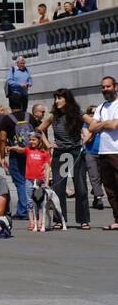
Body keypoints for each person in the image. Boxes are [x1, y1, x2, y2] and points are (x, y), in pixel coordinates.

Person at [38, 88, 90, 229]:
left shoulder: (77, 114)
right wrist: (48, 144)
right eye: (55, 98)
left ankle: (83, 220)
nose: (57, 101)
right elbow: (39, 130)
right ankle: (59, 220)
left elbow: (93, 124)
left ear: (67, 99)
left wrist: (86, 138)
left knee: (80, 187)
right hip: (60, 153)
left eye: (60, 98)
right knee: (58, 188)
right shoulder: (53, 116)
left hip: (75, 151)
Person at [83, 77, 118, 230]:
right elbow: (91, 128)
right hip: (103, 151)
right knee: (110, 189)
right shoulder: (101, 107)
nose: (105, 89)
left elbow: (114, 124)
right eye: (103, 87)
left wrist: (101, 125)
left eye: (108, 86)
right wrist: (106, 124)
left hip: (116, 151)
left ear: (115, 87)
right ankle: (117, 219)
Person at [0, 98, 34, 221]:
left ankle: (24, 210)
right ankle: (23, 208)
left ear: (10, 105)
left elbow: (2, 139)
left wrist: (2, 156)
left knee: (19, 181)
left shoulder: (7, 119)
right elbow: (39, 132)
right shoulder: (29, 116)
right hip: (30, 152)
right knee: (28, 180)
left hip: (15, 152)